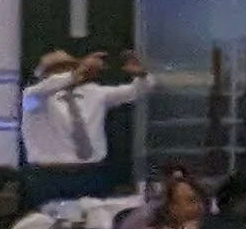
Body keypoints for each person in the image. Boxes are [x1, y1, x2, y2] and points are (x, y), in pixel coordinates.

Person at [16, 48, 149, 203]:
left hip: (91, 174)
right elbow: (48, 87)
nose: (64, 73)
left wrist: (142, 76)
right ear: (44, 75)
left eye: (68, 68)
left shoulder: (94, 92)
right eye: (57, 69)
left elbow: (137, 91)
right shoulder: (34, 97)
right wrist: (74, 74)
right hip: (48, 177)